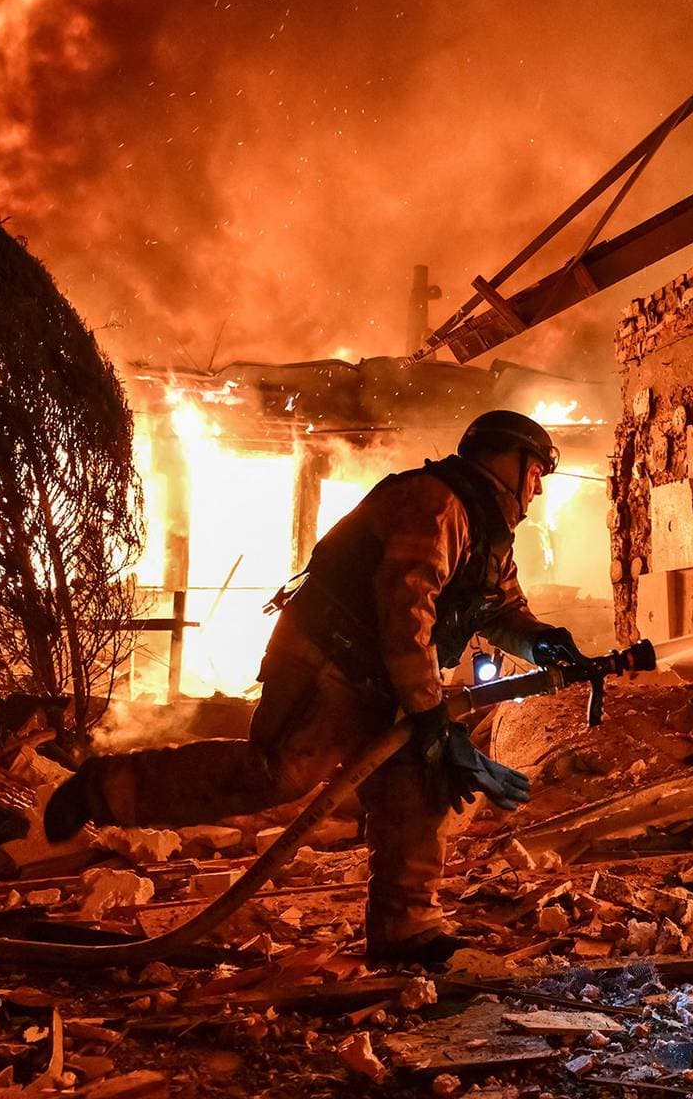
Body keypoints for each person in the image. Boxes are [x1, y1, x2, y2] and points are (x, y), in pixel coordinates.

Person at [44, 410, 580, 965]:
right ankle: (101, 791)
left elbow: (500, 608)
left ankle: (407, 931)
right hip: (326, 661)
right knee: (278, 774)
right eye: (536, 472)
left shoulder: (488, 532)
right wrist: (428, 710)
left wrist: (545, 642)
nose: (537, 489)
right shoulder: (436, 503)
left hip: (386, 673)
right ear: (503, 458)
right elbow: (406, 607)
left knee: (421, 779)